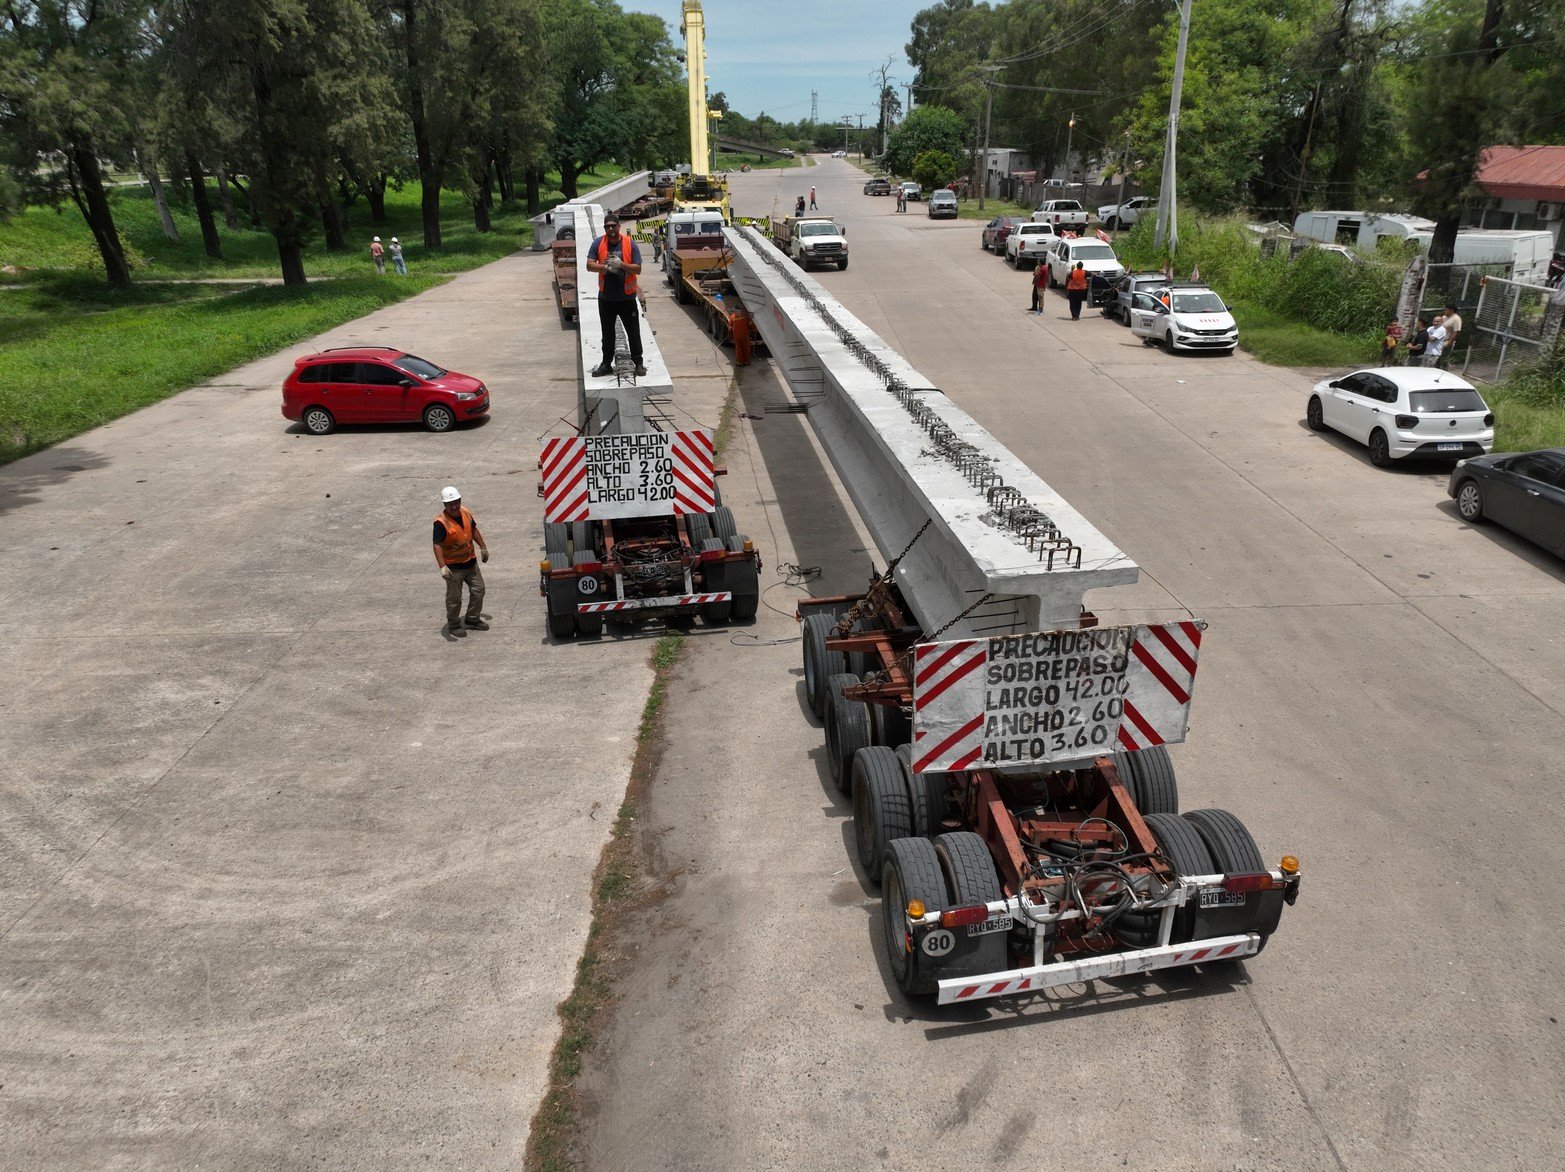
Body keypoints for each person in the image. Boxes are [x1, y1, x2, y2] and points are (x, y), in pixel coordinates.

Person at [584, 214, 645, 378]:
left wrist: (621, 264)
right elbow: (589, 265)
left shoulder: (629, 243)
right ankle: (606, 364)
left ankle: (638, 363)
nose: (610, 229)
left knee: (633, 332)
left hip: (627, 299)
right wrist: (605, 267)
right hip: (606, 299)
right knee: (607, 334)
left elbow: (638, 269)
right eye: (607, 226)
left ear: (619, 226)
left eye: (613, 226)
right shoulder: (598, 243)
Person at [433, 486, 489, 637]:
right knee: (454, 599)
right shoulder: (440, 522)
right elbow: (437, 545)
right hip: (454, 568)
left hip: (471, 563)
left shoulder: (465, 512)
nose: (454, 506)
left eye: (456, 502)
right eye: (450, 504)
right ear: (445, 504)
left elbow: (473, 530)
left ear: (460, 500)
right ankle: (454, 625)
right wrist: (442, 567)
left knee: (479, 591)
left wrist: (483, 547)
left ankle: (472, 619)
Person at [1436, 303, 1462, 370]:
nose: (1444, 311)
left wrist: (1449, 343)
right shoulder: (1444, 317)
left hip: (1447, 341)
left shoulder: (1456, 319)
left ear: (1451, 310)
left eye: (1446, 310)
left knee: (1444, 360)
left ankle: (1444, 372)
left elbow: (1456, 332)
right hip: (1440, 341)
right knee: (1437, 359)